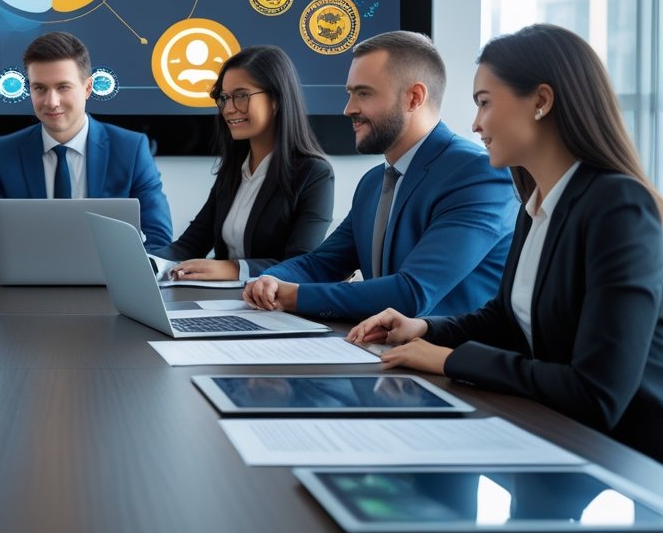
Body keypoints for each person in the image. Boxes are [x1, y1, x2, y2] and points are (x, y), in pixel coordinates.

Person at [348, 24, 663, 461]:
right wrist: (426, 329)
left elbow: (596, 392)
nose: (475, 123)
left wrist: (446, 360)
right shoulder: (536, 203)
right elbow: (507, 318)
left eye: (484, 103)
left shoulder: (617, 206)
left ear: (541, 101)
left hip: (623, 462)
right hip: (549, 434)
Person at [245, 30, 516, 320]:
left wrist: (293, 296)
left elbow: (411, 293)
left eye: (363, 93)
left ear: (414, 98)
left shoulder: (479, 175)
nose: (348, 109)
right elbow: (321, 264)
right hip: (380, 351)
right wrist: (269, 282)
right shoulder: (373, 182)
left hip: (445, 359)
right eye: (350, 94)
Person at [0, 32, 173, 271]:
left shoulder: (131, 149)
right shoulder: (5, 151)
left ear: (87, 88)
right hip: (26, 288)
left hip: (108, 289)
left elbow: (159, 239)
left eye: (63, 87)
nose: (51, 101)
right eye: (40, 88)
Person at [154, 45, 334, 282]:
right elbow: (191, 243)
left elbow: (302, 263)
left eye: (241, 95)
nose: (229, 109)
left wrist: (234, 269)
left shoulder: (314, 173)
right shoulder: (234, 169)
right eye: (224, 97)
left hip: (275, 307)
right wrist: (148, 262)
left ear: (276, 100)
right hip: (220, 302)